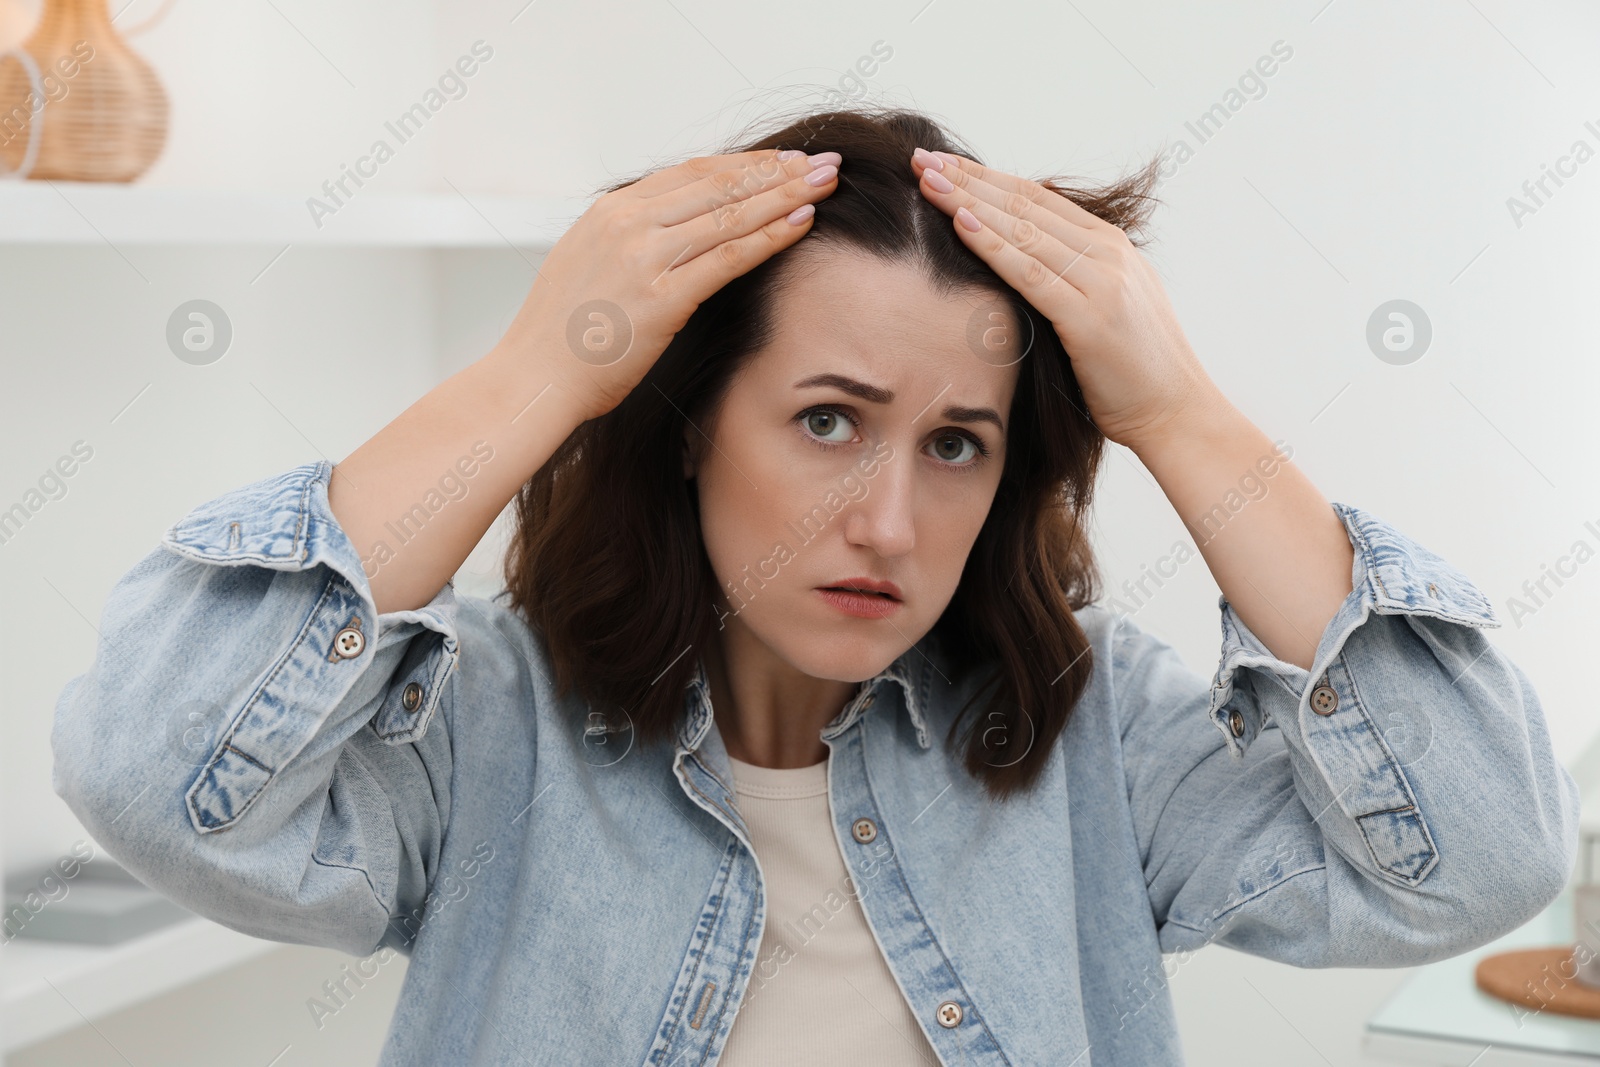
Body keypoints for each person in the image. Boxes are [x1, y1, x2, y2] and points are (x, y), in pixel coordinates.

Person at [51, 106, 1579, 1065]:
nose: (890, 524)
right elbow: (151, 770)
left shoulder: (1092, 736)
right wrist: (539, 368)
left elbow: (1480, 857)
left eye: (960, 444)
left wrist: (1178, 411)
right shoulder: (487, 731)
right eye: (829, 420)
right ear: (690, 423)